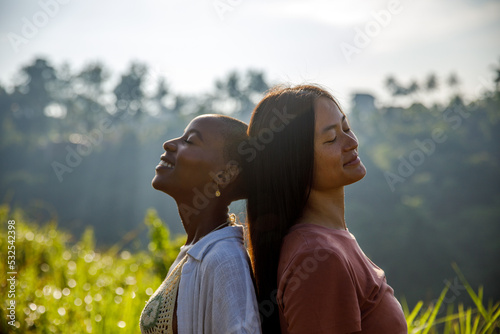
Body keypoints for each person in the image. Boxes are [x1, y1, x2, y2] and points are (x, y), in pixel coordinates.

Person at [245, 85, 407, 333]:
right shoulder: (318, 258)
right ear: (294, 163)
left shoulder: (328, 242)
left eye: (346, 127)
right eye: (331, 138)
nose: (352, 142)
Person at [140, 114, 261, 334]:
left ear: (225, 174)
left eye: (189, 141)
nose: (169, 144)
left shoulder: (225, 260)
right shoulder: (194, 251)